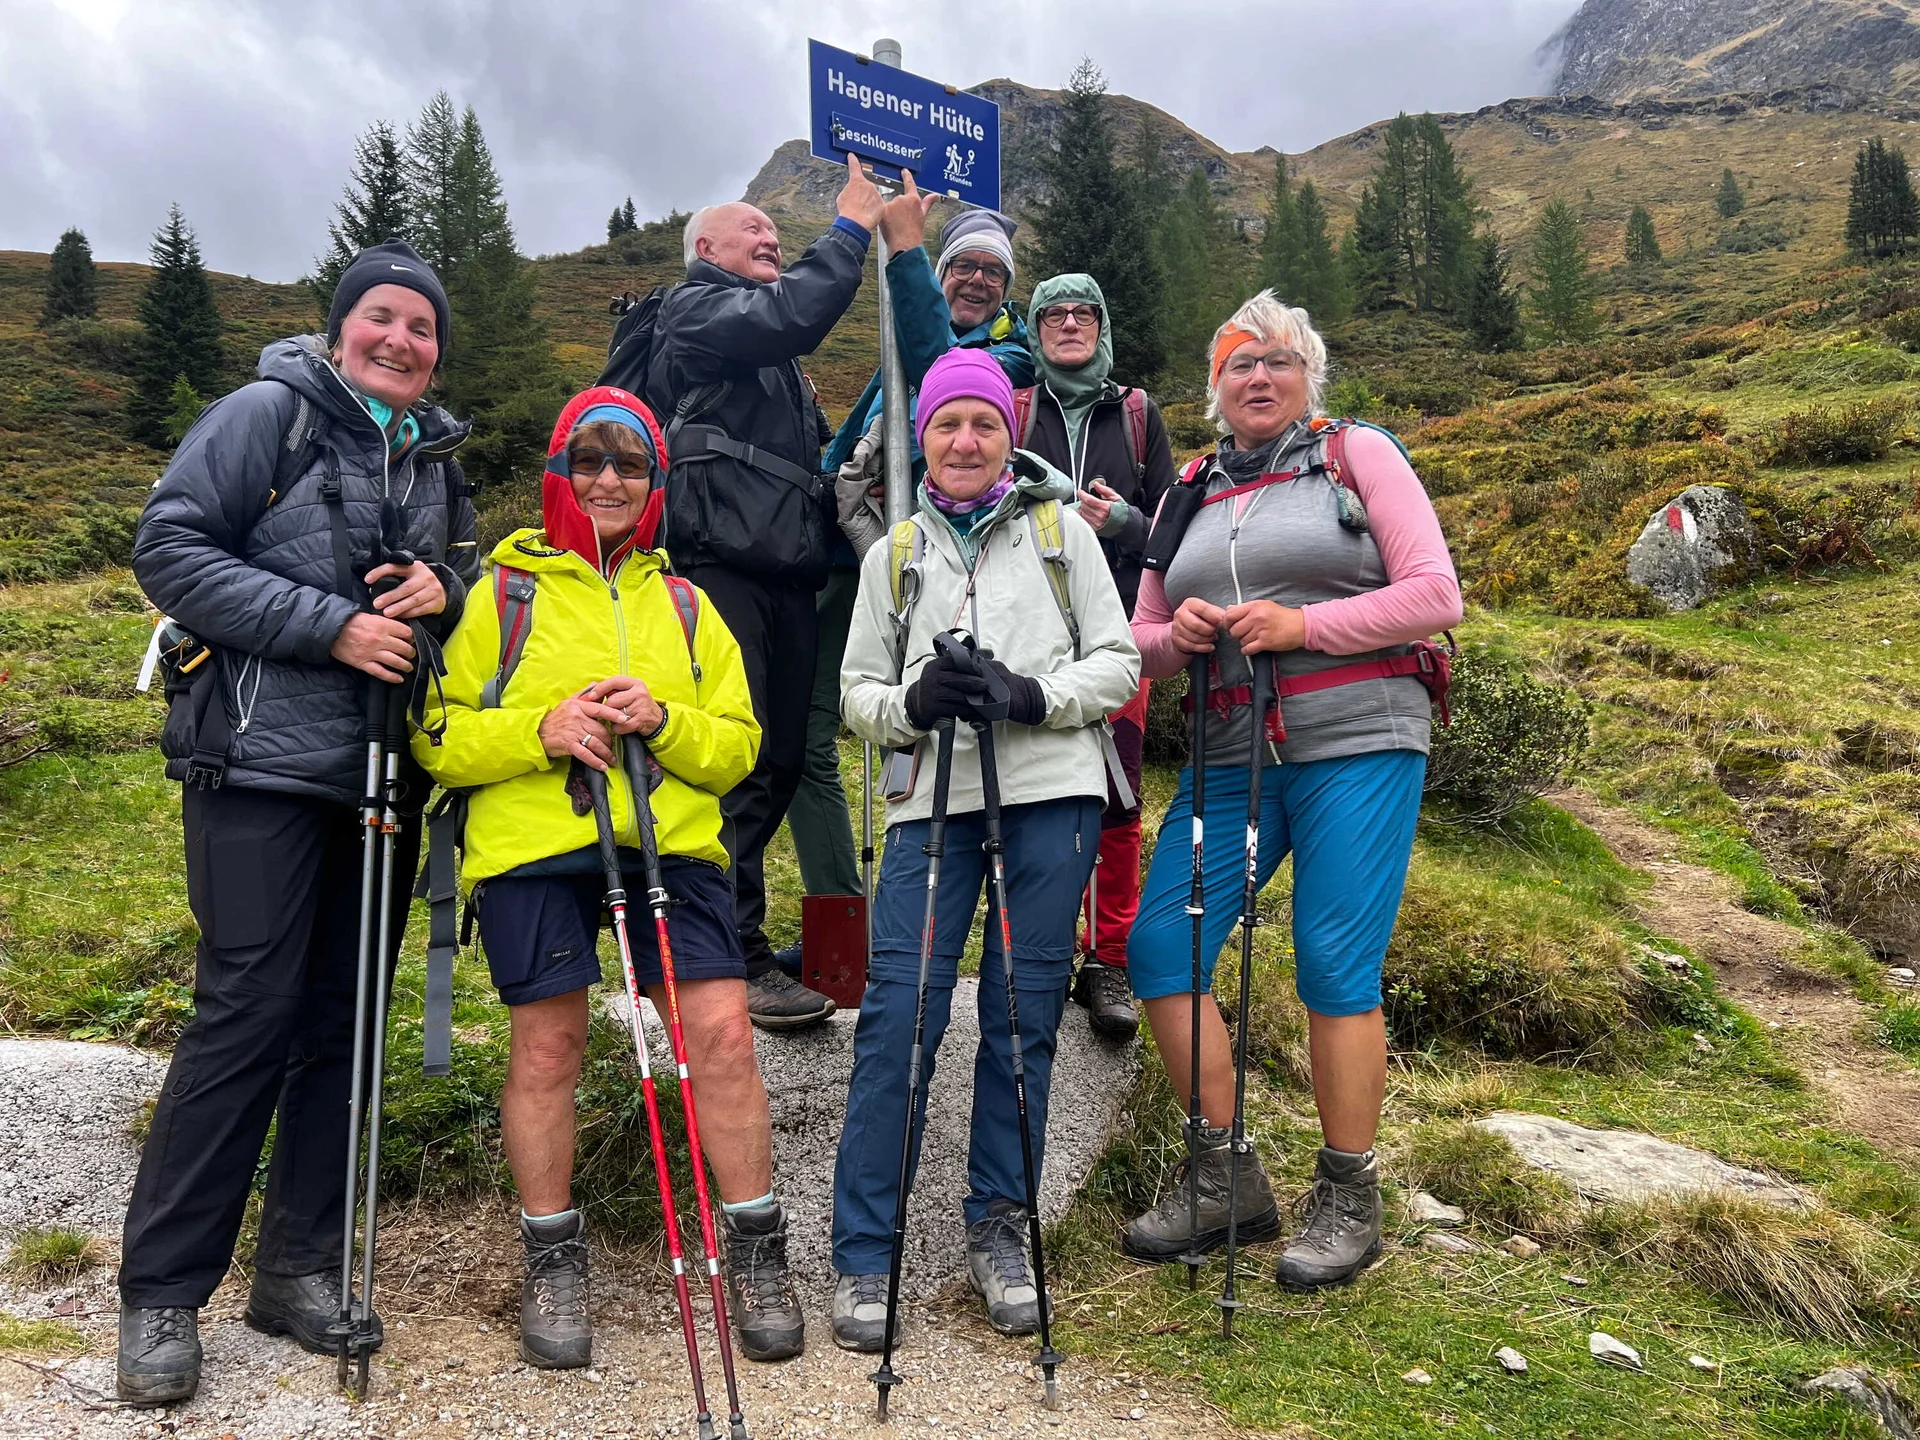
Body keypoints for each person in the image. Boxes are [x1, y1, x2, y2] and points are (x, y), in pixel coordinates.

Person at [119, 242, 478, 1405]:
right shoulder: (265, 415)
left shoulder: (435, 459)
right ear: (339, 329)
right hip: (257, 768)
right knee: (246, 1014)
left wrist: (445, 592)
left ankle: (298, 1272)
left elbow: (464, 584)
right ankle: (162, 1294)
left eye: (422, 328)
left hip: (382, 776)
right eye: (382, 317)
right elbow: (169, 549)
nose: (400, 341)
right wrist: (330, 627)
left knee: (345, 1025)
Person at [411, 385, 807, 1366]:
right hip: (531, 848)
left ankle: (757, 1250)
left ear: (655, 482)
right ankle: (552, 1258)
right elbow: (435, 734)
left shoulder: (687, 605)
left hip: (671, 846)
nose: (608, 480)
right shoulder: (500, 594)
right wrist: (540, 730)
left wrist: (664, 722)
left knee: (722, 1037)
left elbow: (741, 748)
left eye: (630, 464)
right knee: (549, 1047)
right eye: (588, 459)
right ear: (558, 471)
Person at [1119, 291, 1463, 1289]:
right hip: (1232, 753)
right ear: (1215, 386)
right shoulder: (1187, 492)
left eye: (1279, 360)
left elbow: (1435, 594)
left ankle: (1349, 1194)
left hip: (1360, 738)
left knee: (1332, 963)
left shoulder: (1360, 455)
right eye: (1240, 362)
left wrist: (1301, 626)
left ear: (1309, 376)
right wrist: (1175, 638)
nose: (1259, 376)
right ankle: (1225, 1179)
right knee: (1161, 947)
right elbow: (1139, 639)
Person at [831, 349, 1140, 1349]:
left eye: (985, 424)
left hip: (1052, 797)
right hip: (930, 805)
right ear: (921, 437)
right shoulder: (895, 553)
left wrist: (1031, 696)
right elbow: (856, 695)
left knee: (1021, 1017)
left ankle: (1000, 1229)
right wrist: (916, 704)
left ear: (1012, 436)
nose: (965, 442)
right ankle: (864, 1248)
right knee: (898, 1019)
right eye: (946, 424)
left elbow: (1120, 662)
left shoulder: (1061, 534)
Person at [639, 154, 895, 1031]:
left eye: (775, 232)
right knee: (737, 764)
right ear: (705, 250)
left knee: (781, 759)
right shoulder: (695, 310)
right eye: (752, 227)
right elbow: (794, 313)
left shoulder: (771, 361)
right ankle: (729, 954)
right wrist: (851, 225)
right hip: (718, 571)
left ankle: (725, 931)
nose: (770, 237)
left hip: (787, 576)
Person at [773, 202, 1036, 973]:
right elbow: (855, 445)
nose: (977, 281)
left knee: (914, 744)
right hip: (849, 557)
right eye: (964, 266)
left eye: (992, 272)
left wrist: (907, 253)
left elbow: (940, 371)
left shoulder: (1011, 357)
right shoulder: (901, 346)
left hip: (931, 570)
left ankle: (906, 945)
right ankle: (841, 936)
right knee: (808, 735)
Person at [1012, 273, 1177, 1041]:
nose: (1070, 324)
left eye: (1085, 313)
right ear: (1036, 330)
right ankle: (1034, 956)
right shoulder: (1014, 407)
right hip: (1027, 633)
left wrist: (1122, 523)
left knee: (1118, 797)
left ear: (1103, 326)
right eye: (1055, 314)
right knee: (1029, 794)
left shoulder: (1138, 414)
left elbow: (1173, 530)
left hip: (1118, 634)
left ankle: (1108, 959)